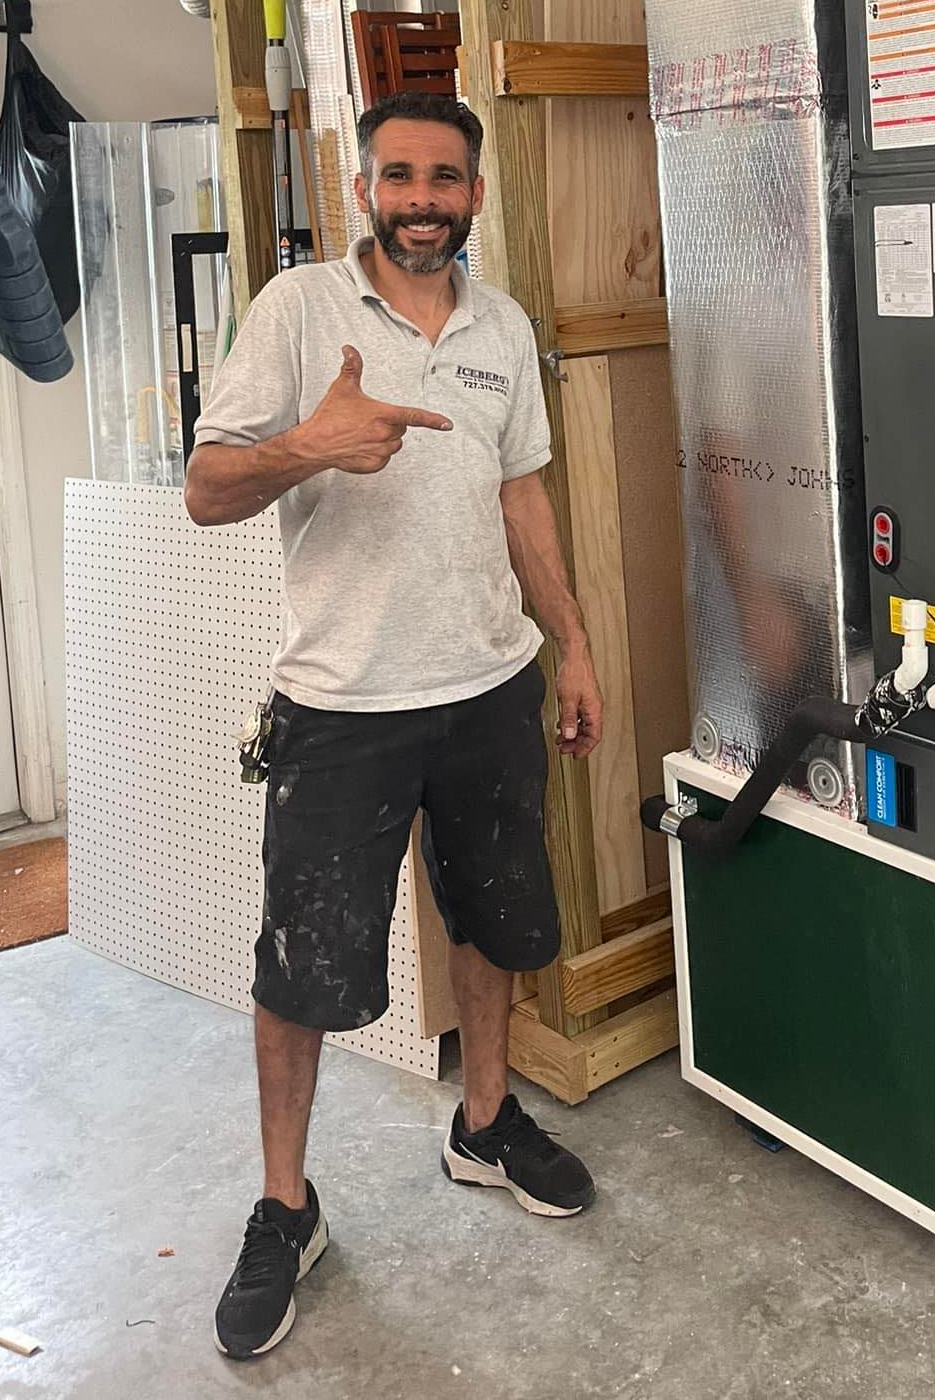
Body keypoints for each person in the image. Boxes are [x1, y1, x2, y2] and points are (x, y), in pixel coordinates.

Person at [184, 90, 604, 1360]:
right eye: (400, 175)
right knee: (303, 969)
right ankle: (284, 1203)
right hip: (342, 704)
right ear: (362, 186)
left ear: (474, 192)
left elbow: (521, 492)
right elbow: (206, 486)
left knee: (498, 919)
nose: (424, 197)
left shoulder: (503, 325)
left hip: (486, 687)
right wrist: (303, 445)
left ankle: (483, 1122)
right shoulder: (297, 312)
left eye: (446, 177)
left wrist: (572, 643)